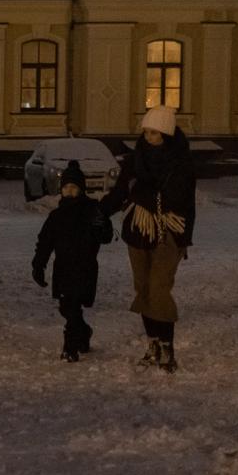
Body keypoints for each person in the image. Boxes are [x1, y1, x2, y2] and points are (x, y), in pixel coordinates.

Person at [99, 105, 197, 372]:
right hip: (138, 231)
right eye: (146, 132)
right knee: (143, 289)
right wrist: (99, 212)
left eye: (154, 133)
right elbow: (121, 192)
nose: (148, 137)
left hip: (169, 232)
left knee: (158, 289)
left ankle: (167, 346)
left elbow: (175, 200)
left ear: (166, 133)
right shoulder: (135, 161)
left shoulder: (181, 163)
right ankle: (152, 343)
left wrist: (138, 192)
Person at [31, 160, 113, 361]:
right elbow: (45, 242)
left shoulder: (92, 211)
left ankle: (70, 347)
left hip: (85, 267)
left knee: (73, 305)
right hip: (63, 268)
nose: (69, 191)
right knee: (66, 307)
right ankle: (83, 333)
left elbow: (106, 237)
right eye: (66, 187)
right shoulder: (56, 216)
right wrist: (38, 266)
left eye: (74, 187)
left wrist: (101, 225)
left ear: (81, 189)